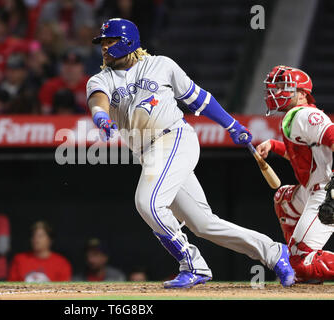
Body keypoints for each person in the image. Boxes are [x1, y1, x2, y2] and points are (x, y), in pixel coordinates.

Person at [86, 18, 295, 289]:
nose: (104, 47)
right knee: (204, 224)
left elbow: (199, 98)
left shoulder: (161, 65)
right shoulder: (101, 78)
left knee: (148, 203)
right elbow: (98, 100)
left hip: (174, 139)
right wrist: (101, 117)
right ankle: (274, 252)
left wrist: (231, 124)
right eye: (102, 42)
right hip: (148, 153)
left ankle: (192, 264)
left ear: (128, 41)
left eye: (109, 41)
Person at [255, 65, 334, 283]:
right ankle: (299, 259)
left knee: (301, 262)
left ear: (301, 94)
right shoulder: (295, 116)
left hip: (328, 190)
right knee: (284, 199)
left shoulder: (304, 114)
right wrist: (274, 145)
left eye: (282, 86)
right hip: (315, 188)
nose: (275, 91)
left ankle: (301, 260)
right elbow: (307, 156)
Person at [7, 221, 72, 282]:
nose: (36, 239)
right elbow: (11, 287)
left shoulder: (61, 263)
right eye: (34, 236)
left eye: (40, 236)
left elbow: (64, 290)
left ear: (50, 240)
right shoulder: (19, 259)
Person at [39, 49, 90, 114]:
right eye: (66, 63)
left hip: (86, 123)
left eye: (74, 64)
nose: (70, 67)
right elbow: (45, 114)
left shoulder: (92, 86)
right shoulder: (50, 86)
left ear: (82, 67)